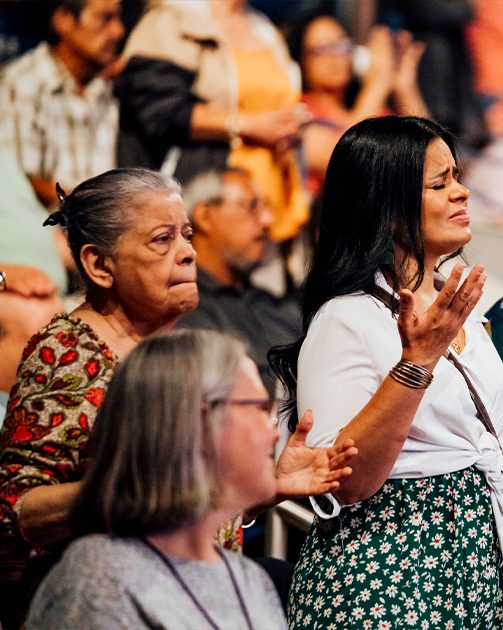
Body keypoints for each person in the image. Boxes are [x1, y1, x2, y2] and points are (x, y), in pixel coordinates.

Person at [0, 167, 356, 628]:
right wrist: (135, 487)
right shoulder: (68, 353)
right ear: (98, 265)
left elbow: (178, 500)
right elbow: (15, 511)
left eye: (186, 235)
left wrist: (263, 485)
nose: (188, 253)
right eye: (162, 240)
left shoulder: (171, 350)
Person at [269, 116, 503, 628]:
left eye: (457, 177)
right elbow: (342, 483)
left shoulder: (460, 303)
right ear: (388, 207)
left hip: (470, 571)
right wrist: (415, 364)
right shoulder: (346, 319)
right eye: (440, 184)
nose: (462, 193)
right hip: (385, 578)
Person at [24, 329, 355, 629]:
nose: (273, 432)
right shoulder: (98, 583)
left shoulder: (250, 579)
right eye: (257, 407)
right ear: (195, 423)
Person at [116, 0, 310, 242]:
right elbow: (157, 109)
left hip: (273, 201)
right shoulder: (173, 19)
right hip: (210, 202)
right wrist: (247, 125)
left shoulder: (264, 29)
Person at [180, 167, 301, 395]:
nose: (267, 220)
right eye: (251, 205)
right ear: (205, 215)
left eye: (267, 207)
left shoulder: (277, 306)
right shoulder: (184, 308)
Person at [287, 11, 428, 197]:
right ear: (301, 61)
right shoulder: (300, 112)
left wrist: (405, 88)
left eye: (341, 45)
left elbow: (430, 155)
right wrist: (378, 83)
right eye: (321, 49)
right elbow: (347, 158)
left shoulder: (373, 109)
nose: (334, 57)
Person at [0, 0, 124, 208]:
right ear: (63, 21)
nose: (118, 31)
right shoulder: (21, 85)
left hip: (103, 231)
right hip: (43, 233)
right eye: (105, 18)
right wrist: (93, 208)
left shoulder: (106, 90)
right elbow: (15, 182)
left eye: (118, 18)